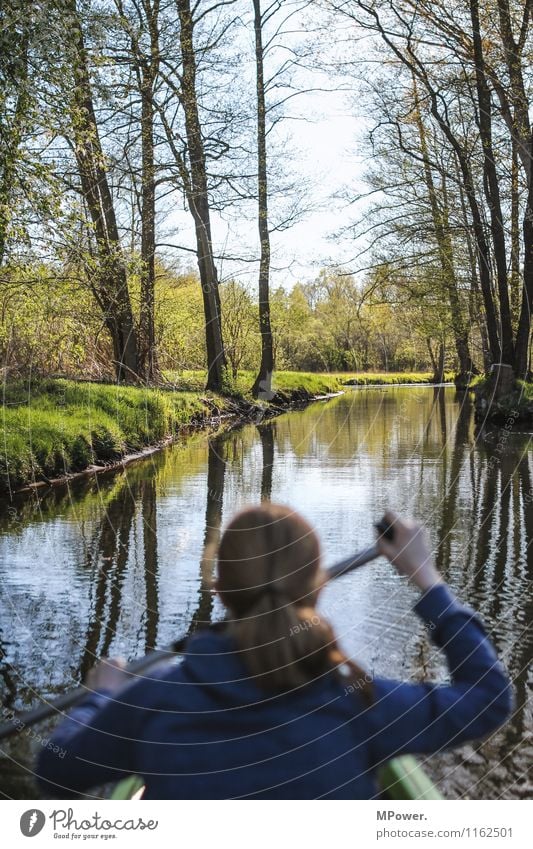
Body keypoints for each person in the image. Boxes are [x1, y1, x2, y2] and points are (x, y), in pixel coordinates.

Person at [36, 504, 512, 799]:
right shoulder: (361, 703)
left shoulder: (154, 698)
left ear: (220, 591)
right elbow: (490, 698)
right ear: (318, 592)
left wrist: (102, 698)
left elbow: (54, 773)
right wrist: (427, 580)